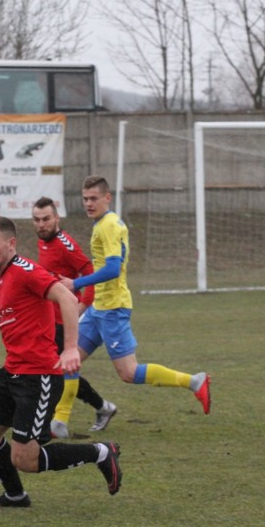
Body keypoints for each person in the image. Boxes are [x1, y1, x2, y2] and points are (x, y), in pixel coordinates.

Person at [0, 217, 122, 507]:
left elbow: (68, 299)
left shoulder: (27, 271)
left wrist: (70, 348)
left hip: (39, 377)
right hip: (11, 373)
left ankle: (101, 452)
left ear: (11, 244)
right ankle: (15, 495)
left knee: (26, 459)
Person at [58, 176, 211, 416]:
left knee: (129, 373)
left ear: (107, 197)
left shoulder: (108, 225)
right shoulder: (102, 223)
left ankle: (194, 381)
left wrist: (76, 284)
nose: (88, 203)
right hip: (99, 307)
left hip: (113, 309)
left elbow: (112, 269)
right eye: (85, 199)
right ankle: (59, 421)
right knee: (68, 360)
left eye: (93, 198)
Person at [31, 196, 117, 438]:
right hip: (49, 318)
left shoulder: (65, 244)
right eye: (36, 220)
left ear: (57, 218)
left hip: (63, 320)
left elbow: (90, 273)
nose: (41, 224)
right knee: (61, 370)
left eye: (46, 219)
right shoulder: (44, 242)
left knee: (57, 370)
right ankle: (102, 407)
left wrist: (80, 308)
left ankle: (55, 421)